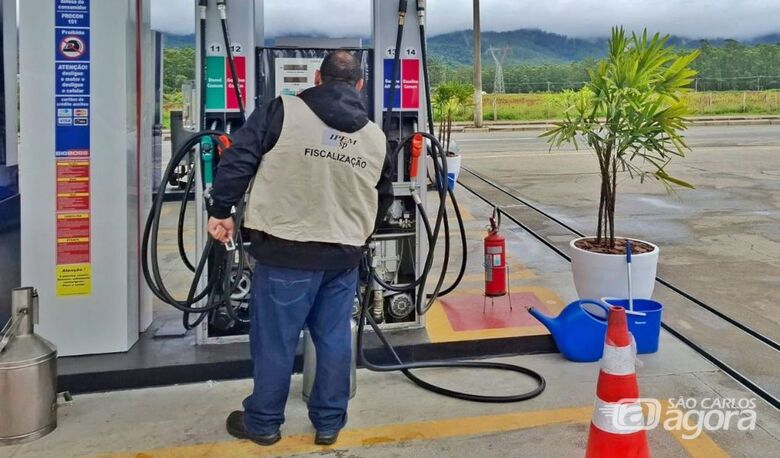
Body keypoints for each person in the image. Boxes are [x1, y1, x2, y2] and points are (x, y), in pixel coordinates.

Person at [207, 50, 394, 447]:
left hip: (284, 253)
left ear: (317, 77)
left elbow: (238, 160)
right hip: (343, 255)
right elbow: (383, 199)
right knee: (333, 337)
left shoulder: (280, 111)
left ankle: (263, 422)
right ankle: (329, 421)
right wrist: (354, 235)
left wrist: (221, 209)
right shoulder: (376, 137)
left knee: (275, 340)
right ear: (360, 84)